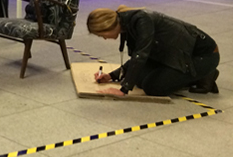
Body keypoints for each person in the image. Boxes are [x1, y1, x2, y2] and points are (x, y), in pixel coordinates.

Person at [87, 6, 220, 97]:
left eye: (102, 34)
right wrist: (112, 76)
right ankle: (194, 75)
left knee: (154, 87)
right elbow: (137, 57)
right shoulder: (127, 22)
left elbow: (141, 55)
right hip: (175, 55)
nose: (104, 38)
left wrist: (123, 90)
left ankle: (204, 74)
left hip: (202, 56)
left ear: (108, 27)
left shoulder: (142, 21)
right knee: (138, 79)